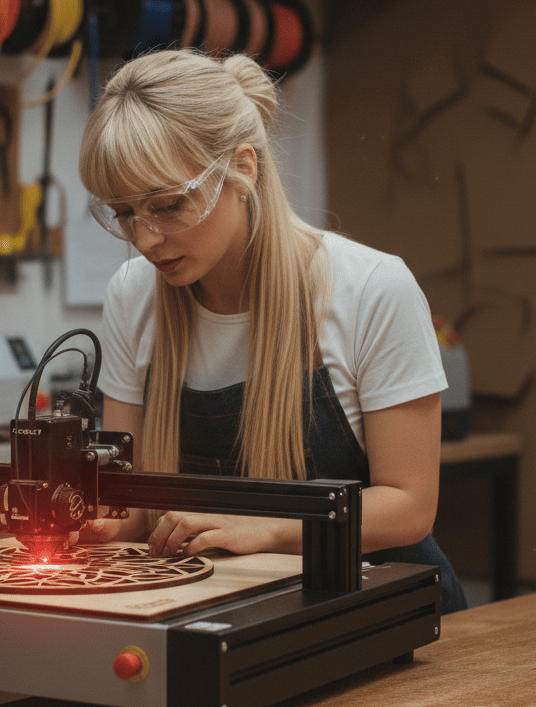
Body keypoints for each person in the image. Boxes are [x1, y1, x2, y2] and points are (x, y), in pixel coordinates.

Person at [77, 48, 467, 614]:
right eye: (123, 212)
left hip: (387, 615)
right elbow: (135, 505)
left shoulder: (372, 288)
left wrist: (267, 529)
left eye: (167, 205)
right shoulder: (133, 294)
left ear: (243, 167)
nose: (145, 239)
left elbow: (408, 506)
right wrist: (101, 526)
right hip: (224, 612)